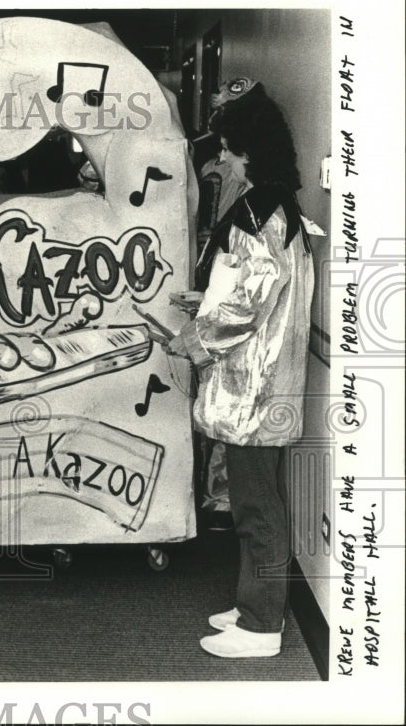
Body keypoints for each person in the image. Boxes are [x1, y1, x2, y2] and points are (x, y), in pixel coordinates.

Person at [154, 86, 315, 658]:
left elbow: (250, 301)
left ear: (249, 149)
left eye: (226, 148)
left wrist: (190, 338)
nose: (219, 158)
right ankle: (253, 603)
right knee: (255, 500)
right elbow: (257, 285)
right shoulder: (275, 204)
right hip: (268, 382)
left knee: (255, 506)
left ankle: (262, 626)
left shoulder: (257, 210)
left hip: (255, 385)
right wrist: (206, 297)